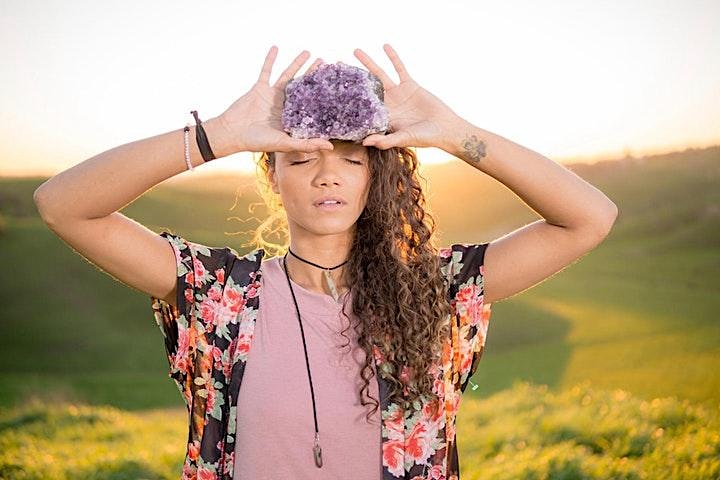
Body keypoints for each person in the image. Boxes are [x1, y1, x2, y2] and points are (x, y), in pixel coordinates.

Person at [34, 44, 618, 480]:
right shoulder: (220, 295)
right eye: (302, 157)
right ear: (273, 178)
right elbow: (63, 206)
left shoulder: (436, 289)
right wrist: (217, 135)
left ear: (376, 177)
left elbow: (588, 218)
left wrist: (457, 134)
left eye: (351, 158)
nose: (327, 173)